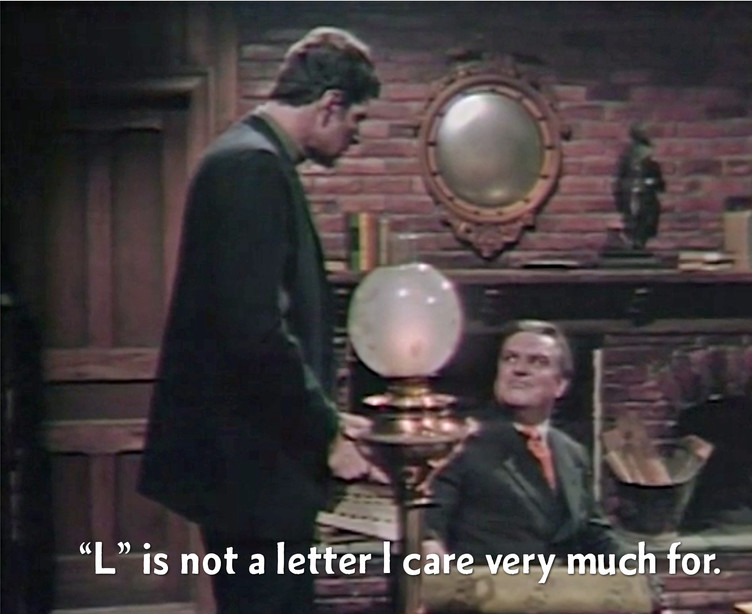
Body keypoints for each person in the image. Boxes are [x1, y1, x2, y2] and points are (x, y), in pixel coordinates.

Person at [138, 27, 381, 613]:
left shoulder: (250, 159)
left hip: (256, 463)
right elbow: (254, 332)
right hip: (253, 470)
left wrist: (330, 415)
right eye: (357, 120)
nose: (356, 136)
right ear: (330, 104)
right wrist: (325, 432)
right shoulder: (250, 166)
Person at [424, 320, 633, 561]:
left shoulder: (572, 452)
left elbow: (592, 531)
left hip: (558, 583)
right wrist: (430, 547)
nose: (519, 370)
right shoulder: (462, 442)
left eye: (538, 362)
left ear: (561, 385)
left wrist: (635, 565)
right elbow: (429, 521)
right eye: (510, 359)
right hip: (487, 582)